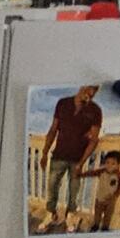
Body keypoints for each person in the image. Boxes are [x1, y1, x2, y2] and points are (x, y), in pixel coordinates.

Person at [42, 85, 100, 225]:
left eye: (92, 95)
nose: (88, 96)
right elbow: (53, 129)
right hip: (58, 155)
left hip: (77, 159)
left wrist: (82, 162)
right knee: (52, 186)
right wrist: (44, 153)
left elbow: (94, 140)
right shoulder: (62, 103)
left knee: (74, 190)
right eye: (86, 92)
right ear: (82, 87)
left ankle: (70, 216)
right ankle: (51, 214)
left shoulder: (95, 110)